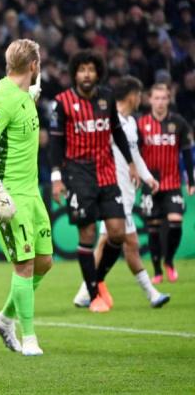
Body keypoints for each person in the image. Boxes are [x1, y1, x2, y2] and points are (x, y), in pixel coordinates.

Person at [0, 39, 52, 356]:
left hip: (32, 192)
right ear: (33, 66)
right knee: (25, 265)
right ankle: (29, 338)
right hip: (9, 193)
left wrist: (28, 96)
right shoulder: (2, 99)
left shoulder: (22, 95)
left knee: (44, 262)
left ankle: (4, 318)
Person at [49, 50, 138, 312]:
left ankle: (96, 282)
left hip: (107, 172)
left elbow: (117, 132)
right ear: (75, 73)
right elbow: (55, 142)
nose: (86, 74)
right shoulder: (62, 102)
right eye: (82, 70)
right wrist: (56, 177)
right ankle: (94, 294)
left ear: (98, 72)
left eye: (91, 69)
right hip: (79, 174)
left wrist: (131, 163)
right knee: (87, 234)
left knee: (118, 233)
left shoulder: (107, 98)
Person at [82, 76, 170, 309]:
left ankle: (85, 291)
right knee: (127, 242)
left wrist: (148, 176)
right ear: (132, 95)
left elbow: (134, 156)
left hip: (127, 193)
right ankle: (151, 294)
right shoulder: (109, 121)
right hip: (113, 191)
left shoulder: (130, 123)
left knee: (109, 242)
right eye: (139, 94)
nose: (140, 99)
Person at [137, 83, 195, 284]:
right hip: (150, 184)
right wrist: (135, 174)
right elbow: (134, 153)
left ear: (168, 100)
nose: (160, 102)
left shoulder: (178, 123)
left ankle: (169, 260)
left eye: (164, 98)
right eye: (157, 98)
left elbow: (187, 151)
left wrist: (191, 179)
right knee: (152, 228)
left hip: (172, 183)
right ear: (149, 99)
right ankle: (157, 271)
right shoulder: (141, 123)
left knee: (175, 221)